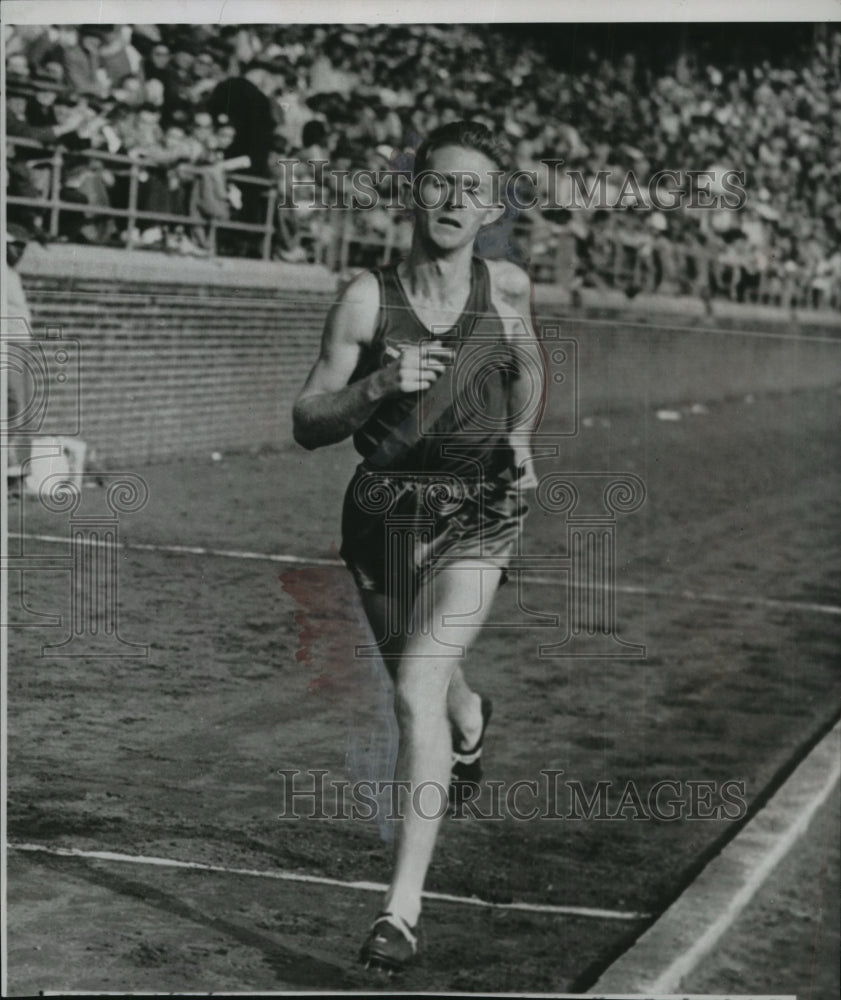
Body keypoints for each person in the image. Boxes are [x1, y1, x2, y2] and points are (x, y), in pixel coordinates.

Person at [293, 120, 543, 972]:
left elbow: (527, 364)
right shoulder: (366, 299)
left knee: (412, 687)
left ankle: (400, 911)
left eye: (473, 190)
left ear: (493, 207)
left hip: (481, 512)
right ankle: (470, 720)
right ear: (413, 189)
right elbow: (304, 422)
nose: (453, 202)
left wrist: (520, 440)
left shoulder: (504, 285)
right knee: (431, 689)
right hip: (384, 517)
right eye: (439, 182)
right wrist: (373, 386)